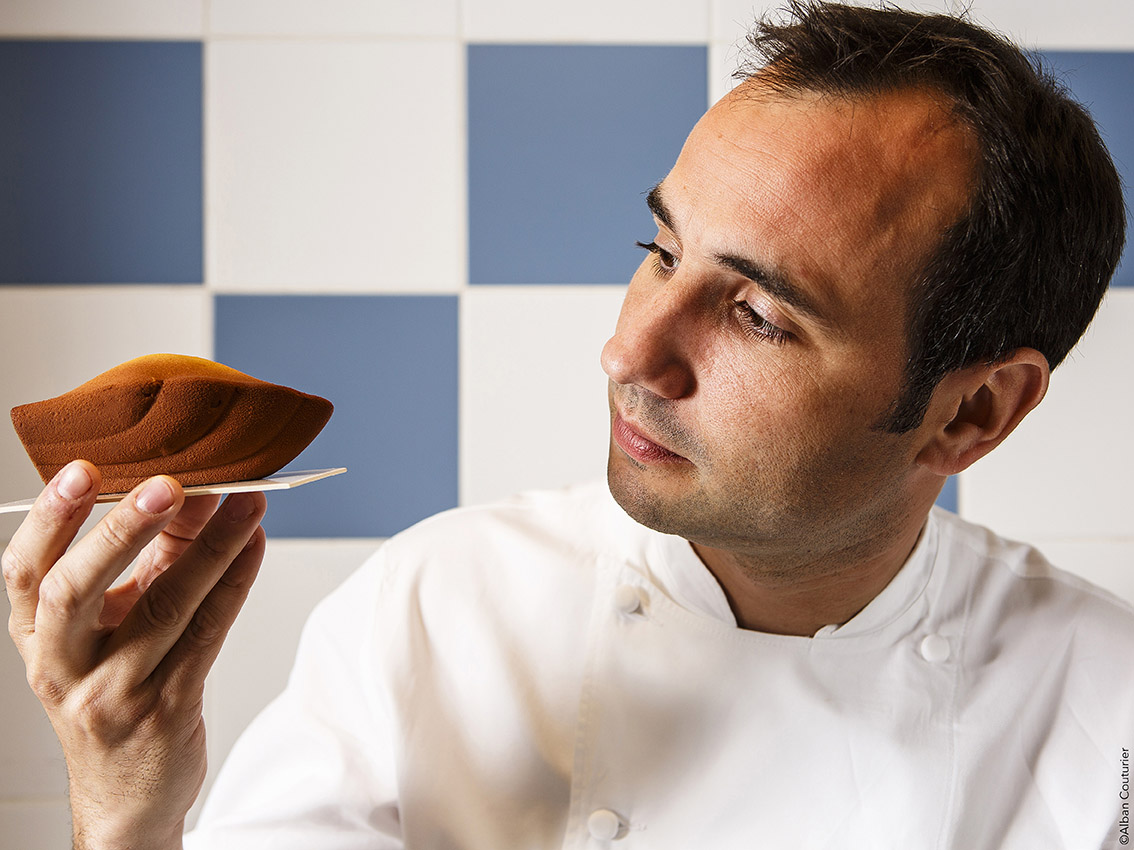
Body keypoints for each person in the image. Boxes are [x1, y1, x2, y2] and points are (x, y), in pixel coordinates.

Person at [3, 2, 1130, 848]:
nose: (628, 354)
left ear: (973, 409)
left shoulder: (1105, 704)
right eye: (661, 253)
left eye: (756, 313)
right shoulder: (435, 615)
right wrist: (125, 801)